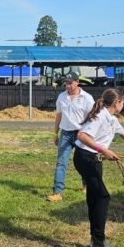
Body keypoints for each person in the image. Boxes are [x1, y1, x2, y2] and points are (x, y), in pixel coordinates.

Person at [73, 88, 124, 247]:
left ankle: (95, 241)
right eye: (123, 102)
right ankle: (99, 242)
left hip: (93, 159)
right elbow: (82, 136)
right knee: (102, 196)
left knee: (94, 197)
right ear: (117, 103)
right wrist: (103, 150)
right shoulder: (101, 116)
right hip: (85, 158)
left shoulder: (111, 119)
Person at [47, 71, 95, 202]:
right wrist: (55, 133)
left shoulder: (87, 98)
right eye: (66, 83)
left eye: (70, 83)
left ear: (77, 82)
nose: (67, 86)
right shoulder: (61, 97)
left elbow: (92, 117)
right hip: (66, 134)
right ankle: (57, 192)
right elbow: (59, 116)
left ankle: (86, 185)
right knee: (61, 162)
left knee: (83, 162)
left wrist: (89, 134)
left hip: (81, 134)